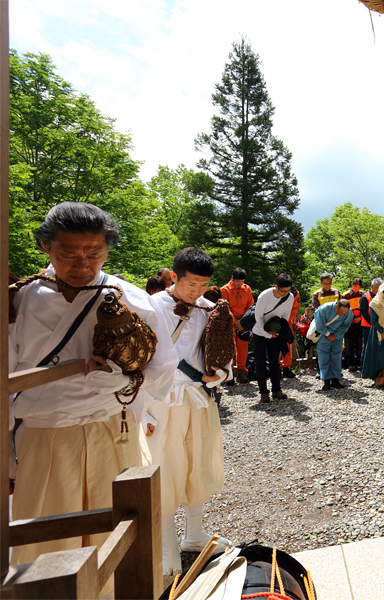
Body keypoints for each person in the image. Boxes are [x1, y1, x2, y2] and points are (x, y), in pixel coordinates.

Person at [9, 202, 176, 569]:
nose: (82, 264)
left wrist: (127, 385)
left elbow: (163, 367)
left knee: (116, 543)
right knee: (43, 548)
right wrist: (7, 457)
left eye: (94, 254)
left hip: (110, 430)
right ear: (44, 246)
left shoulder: (130, 298)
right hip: (43, 436)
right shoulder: (20, 302)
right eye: (68, 253)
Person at [143, 248, 232, 575]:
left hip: (198, 398)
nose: (197, 291)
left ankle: (194, 534)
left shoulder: (211, 309)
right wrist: (144, 413)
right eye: (191, 284)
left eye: (204, 284)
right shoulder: (151, 307)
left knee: (199, 461)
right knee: (165, 469)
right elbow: (137, 362)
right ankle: (166, 544)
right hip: (162, 401)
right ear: (174, 277)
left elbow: (223, 355)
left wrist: (220, 374)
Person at [253, 273, 295, 402]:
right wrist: (267, 334)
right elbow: (258, 318)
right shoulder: (264, 296)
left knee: (275, 363)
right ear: (276, 286)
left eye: (287, 291)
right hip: (260, 332)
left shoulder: (290, 297)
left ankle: (276, 390)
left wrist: (277, 331)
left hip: (275, 331)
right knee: (260, 363)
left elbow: (285, 317)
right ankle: (263, 392)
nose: (285, 294)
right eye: (282, 291)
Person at [220, 268, 254, 385]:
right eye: (237, 281)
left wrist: (244, 322)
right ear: (232, 279)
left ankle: (241, 371)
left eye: (242, 281)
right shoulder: (224, 290)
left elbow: (251, 306)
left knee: (243, 348)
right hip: (229, 323)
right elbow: (224, 308)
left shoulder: (247, 289)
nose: (240, 284)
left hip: (243, 323)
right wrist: (235, 321)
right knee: (229, 349)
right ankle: (229, 374)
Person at [315, 298, 353, 391]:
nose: (342, 314)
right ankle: (326, 380)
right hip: (324, 335)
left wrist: (335, 336)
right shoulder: (323, 309)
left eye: (344, 312)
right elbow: (319, 325)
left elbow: (345, 326)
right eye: (340, 312)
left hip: (337, 336)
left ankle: (336, 379)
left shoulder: (348, 312)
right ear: (336, 306)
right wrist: (328, 334)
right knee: (324, 357)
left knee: (336, 356)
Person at [279, 285, 303, 379]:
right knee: (275, 345)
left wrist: (286, 320)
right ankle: (276, 368)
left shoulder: (296, 293)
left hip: (287, 321)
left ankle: (286, 367)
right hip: (275, 321)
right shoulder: (277, 291)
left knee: (287, 345)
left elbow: (295, 308)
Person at [342, 278, 365, 371]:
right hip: (348, 322)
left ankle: (359, 361)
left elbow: (365, 308)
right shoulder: (345, 295)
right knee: (348, 342)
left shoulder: (363, 295)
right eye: (355, 285)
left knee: (360, 341)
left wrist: (360, 318)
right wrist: (349, 319)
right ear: (351, 285)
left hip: (360, 321)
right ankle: (350, 362)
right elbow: (342, 309)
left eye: (358, 286)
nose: (356, 287)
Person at [359, 278, 382, 366]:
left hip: (378, 326)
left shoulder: (381, 297)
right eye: (378, 288)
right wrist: (372, 323)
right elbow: (364, 312)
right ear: (373, 286)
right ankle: (364, 365)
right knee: (367, 346)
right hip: (367, 326)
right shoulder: (365, 297)